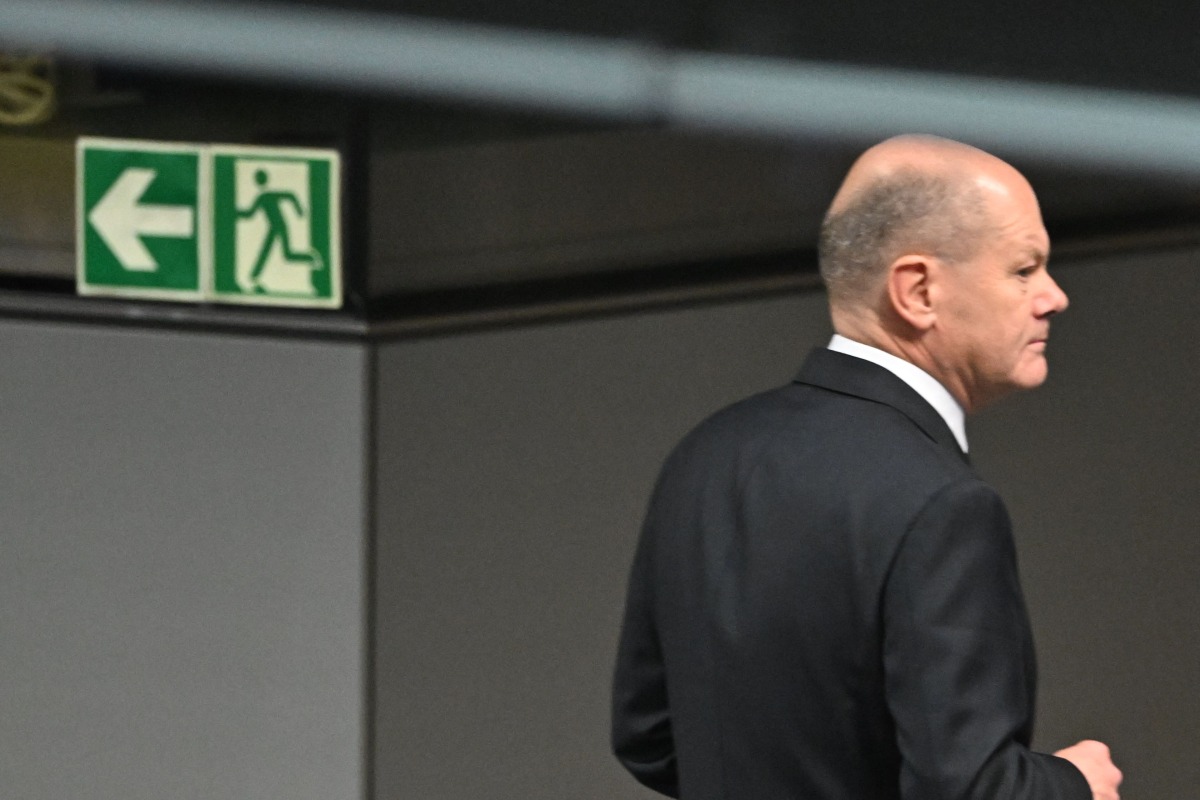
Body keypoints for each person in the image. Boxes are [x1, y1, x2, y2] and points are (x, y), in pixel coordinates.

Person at [610, 135, 1123, 800]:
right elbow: (968, 788)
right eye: (1024, 270)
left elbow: (648, 738)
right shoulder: (942, 503)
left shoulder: (705, 457)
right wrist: (1075, 785)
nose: (1054, 296)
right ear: (917, 291)